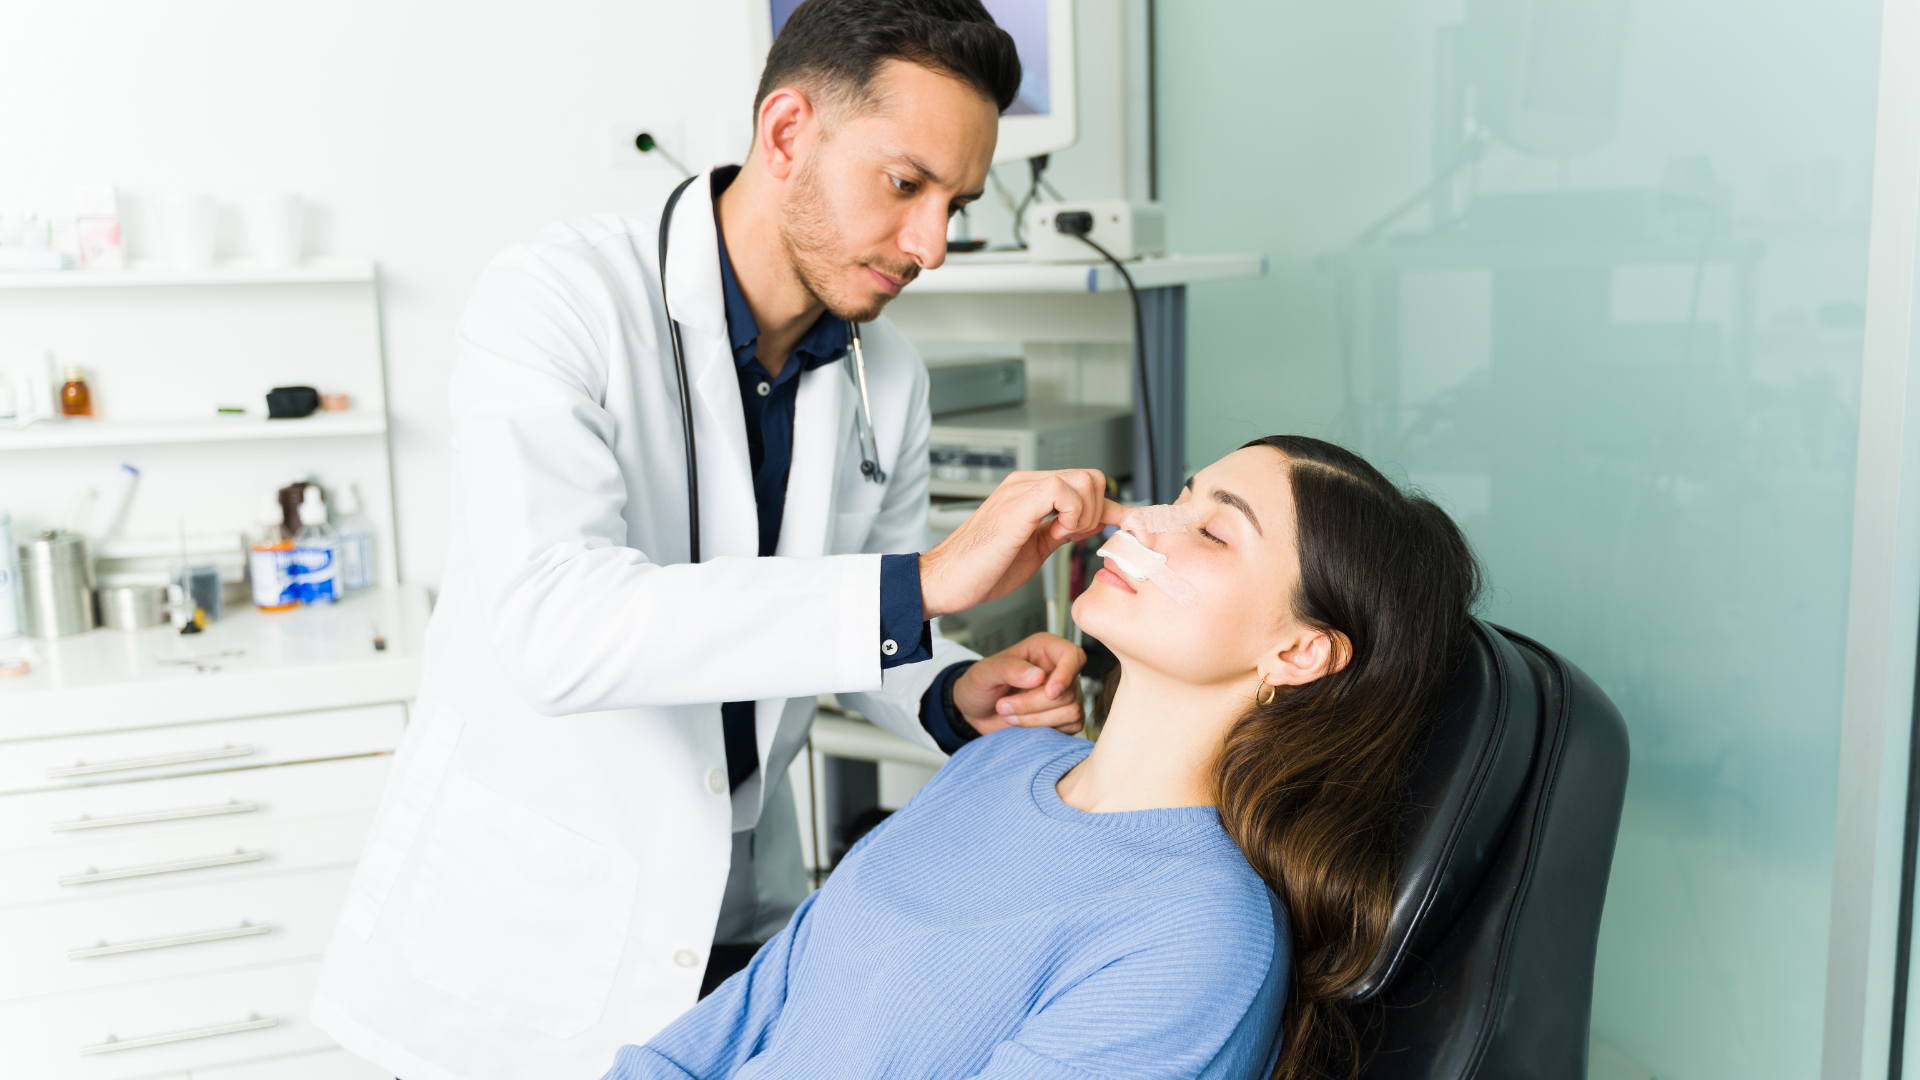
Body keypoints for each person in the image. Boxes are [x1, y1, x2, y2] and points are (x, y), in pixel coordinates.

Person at [312, 4, 1121, 1078]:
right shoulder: (559, 300)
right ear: (788, 133)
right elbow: (559, 630)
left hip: (737, 909)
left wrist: (948, 692)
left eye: (957, 204)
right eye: (906, 185)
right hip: (528, 943)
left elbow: (866, 628)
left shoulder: (890, 378)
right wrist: (922, 583)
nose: (932, 245)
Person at [599, 436, 1485, 1080]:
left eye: (1214, 533)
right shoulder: (997, 764)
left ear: (1297, 653)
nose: (1148, 524)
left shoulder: (1197, 936)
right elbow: (755, 1007)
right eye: (1179, 495)